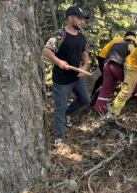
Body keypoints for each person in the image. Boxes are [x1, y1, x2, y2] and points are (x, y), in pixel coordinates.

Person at [43, 6, 90, 145]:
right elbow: (46, 50)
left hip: (76, 77)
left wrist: (84, 66)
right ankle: (59, 138)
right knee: (59, 108)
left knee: (85, 99)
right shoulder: (61, 34)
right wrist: (58, 62)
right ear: (70, 18)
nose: (82, 21)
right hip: (62, 80)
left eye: (83, 19)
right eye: (79, 18)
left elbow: (85, 51)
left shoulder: (81, 34)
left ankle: (66, 115)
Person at [95, 36, 137, 113]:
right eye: (135, 44)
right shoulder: (130, 45)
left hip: (107, 66)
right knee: (134, 83)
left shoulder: (116, 44)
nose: (134, 46)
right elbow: (135, 57)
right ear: (132, 41)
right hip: (117, 66)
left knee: (106, 89)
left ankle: (99, 109)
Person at [90, 31, 137, 104]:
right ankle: (93, 99)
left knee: (104, 78)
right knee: (105, 80)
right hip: (104, 58)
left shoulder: (126, 43)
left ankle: (94, 98)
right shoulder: (118, 41)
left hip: (111, 59)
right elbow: (113, 53)